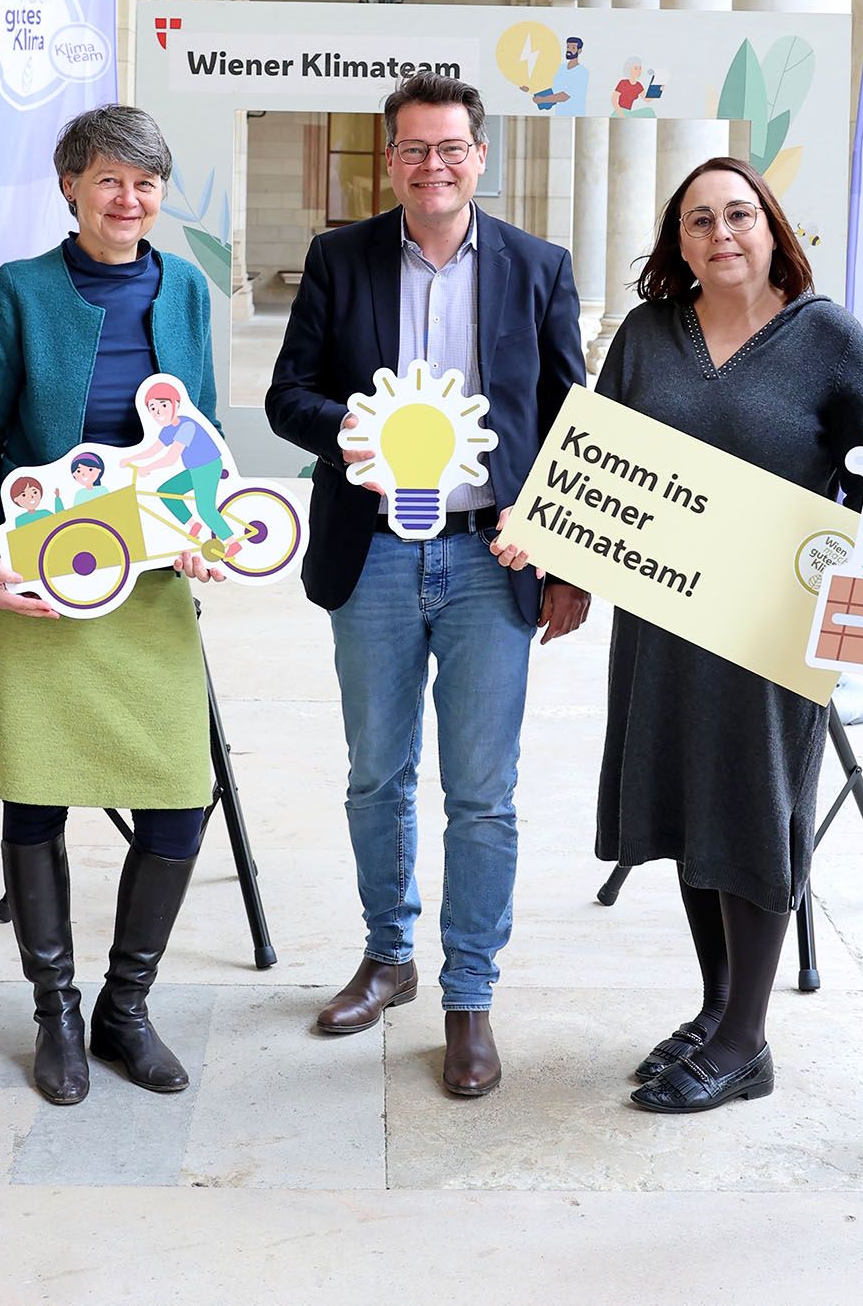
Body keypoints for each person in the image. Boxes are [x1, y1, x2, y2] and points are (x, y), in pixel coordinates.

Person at [500, 156, 863, 1114]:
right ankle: (719, 1011)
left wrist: (856, 582)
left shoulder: (829, 338)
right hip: (665, 613)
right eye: (699, 220)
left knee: (753, 805)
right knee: (684, 801)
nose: (722, 234)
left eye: (739, 215)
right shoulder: (646, 335)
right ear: (678, 240)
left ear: (772, 226)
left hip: (769, 622)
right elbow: (598, 459)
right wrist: (563, 557)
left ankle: (748, 1039)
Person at [266, 72, 588, 1096]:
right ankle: (386, 956)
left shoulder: (537, 268)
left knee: (483, 794)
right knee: (375, 773)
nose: (432, 165)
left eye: (450, 148)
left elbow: (567, 417)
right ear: (389, 159)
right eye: (413, 149)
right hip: (372, 550)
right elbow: (288, 397)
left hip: (488, 559)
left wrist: (565, 553)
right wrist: (350, 432)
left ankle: (470, 996)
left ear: (477, 156)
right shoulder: (339, 258)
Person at [0, 105, 227, 1106]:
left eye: (144, 181)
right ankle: (53, 1011)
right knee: (37, 792)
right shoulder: (19, 291)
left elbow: (200, 434)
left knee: (182, 798)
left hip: (149, 585)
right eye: (107, 180)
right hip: (41, 572)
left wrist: (208, 527)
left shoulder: (183, 286)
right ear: (70, 187)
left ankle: (122, 1013)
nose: (128, 198)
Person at [122, 380, 233, 552]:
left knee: (205, 508)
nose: (158, 411)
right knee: (167, 492)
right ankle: (192, 524)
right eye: (152, 408)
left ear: (176, 404)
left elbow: (170, 458)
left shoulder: (186, 426)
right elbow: (153, 449)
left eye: (163, 405)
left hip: (208, 466)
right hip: (194, 469)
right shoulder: (168, 429)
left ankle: (232, 542)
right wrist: (130, 459)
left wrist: (148, 468)